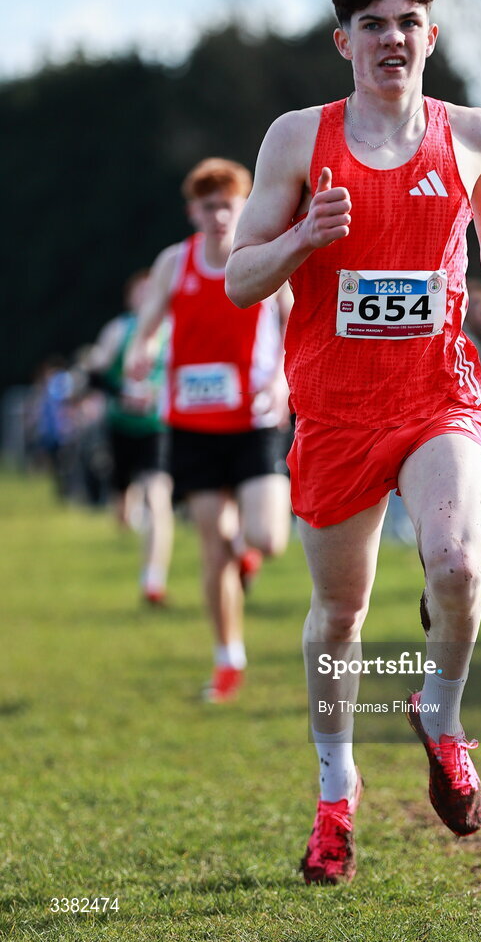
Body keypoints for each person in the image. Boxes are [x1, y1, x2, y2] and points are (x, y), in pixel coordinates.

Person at [225, 0, 481, 884]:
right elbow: (240, 277)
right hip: (336, 410)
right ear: (343, 42)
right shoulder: (295, 140)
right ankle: (334, 791)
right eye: (372, 26)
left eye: (406, 23)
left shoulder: (472, 132)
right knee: (340, 616)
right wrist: (303, 239)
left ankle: (439, 714)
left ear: (429, 36)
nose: (391, 39)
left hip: (439, 393)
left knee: (454, 563)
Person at [125, 158, 292, 701]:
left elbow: (296, 327)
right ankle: (228, 659)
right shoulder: (176, 262)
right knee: (212, 548)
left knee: (267, 537)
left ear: (244, 205)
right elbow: (148, 326)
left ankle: (250, 556)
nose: (219, 215)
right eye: (209, 205)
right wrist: (140, 355)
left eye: (228, 204)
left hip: (254, 422)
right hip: (192, 426)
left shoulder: (265, 259)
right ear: (193, 211)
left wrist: (285, 385)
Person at [82, 270, 174, 605]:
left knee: (157, 497)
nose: (149, 297)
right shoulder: (119, 330)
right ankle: (127, 514)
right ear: (130, 297)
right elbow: (95, 374)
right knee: (123, 511)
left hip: (157, 428)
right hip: (121, 427)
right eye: (141, 292)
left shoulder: (173, 329)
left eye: (154, 290)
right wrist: (122, 392)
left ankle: (152, 581)